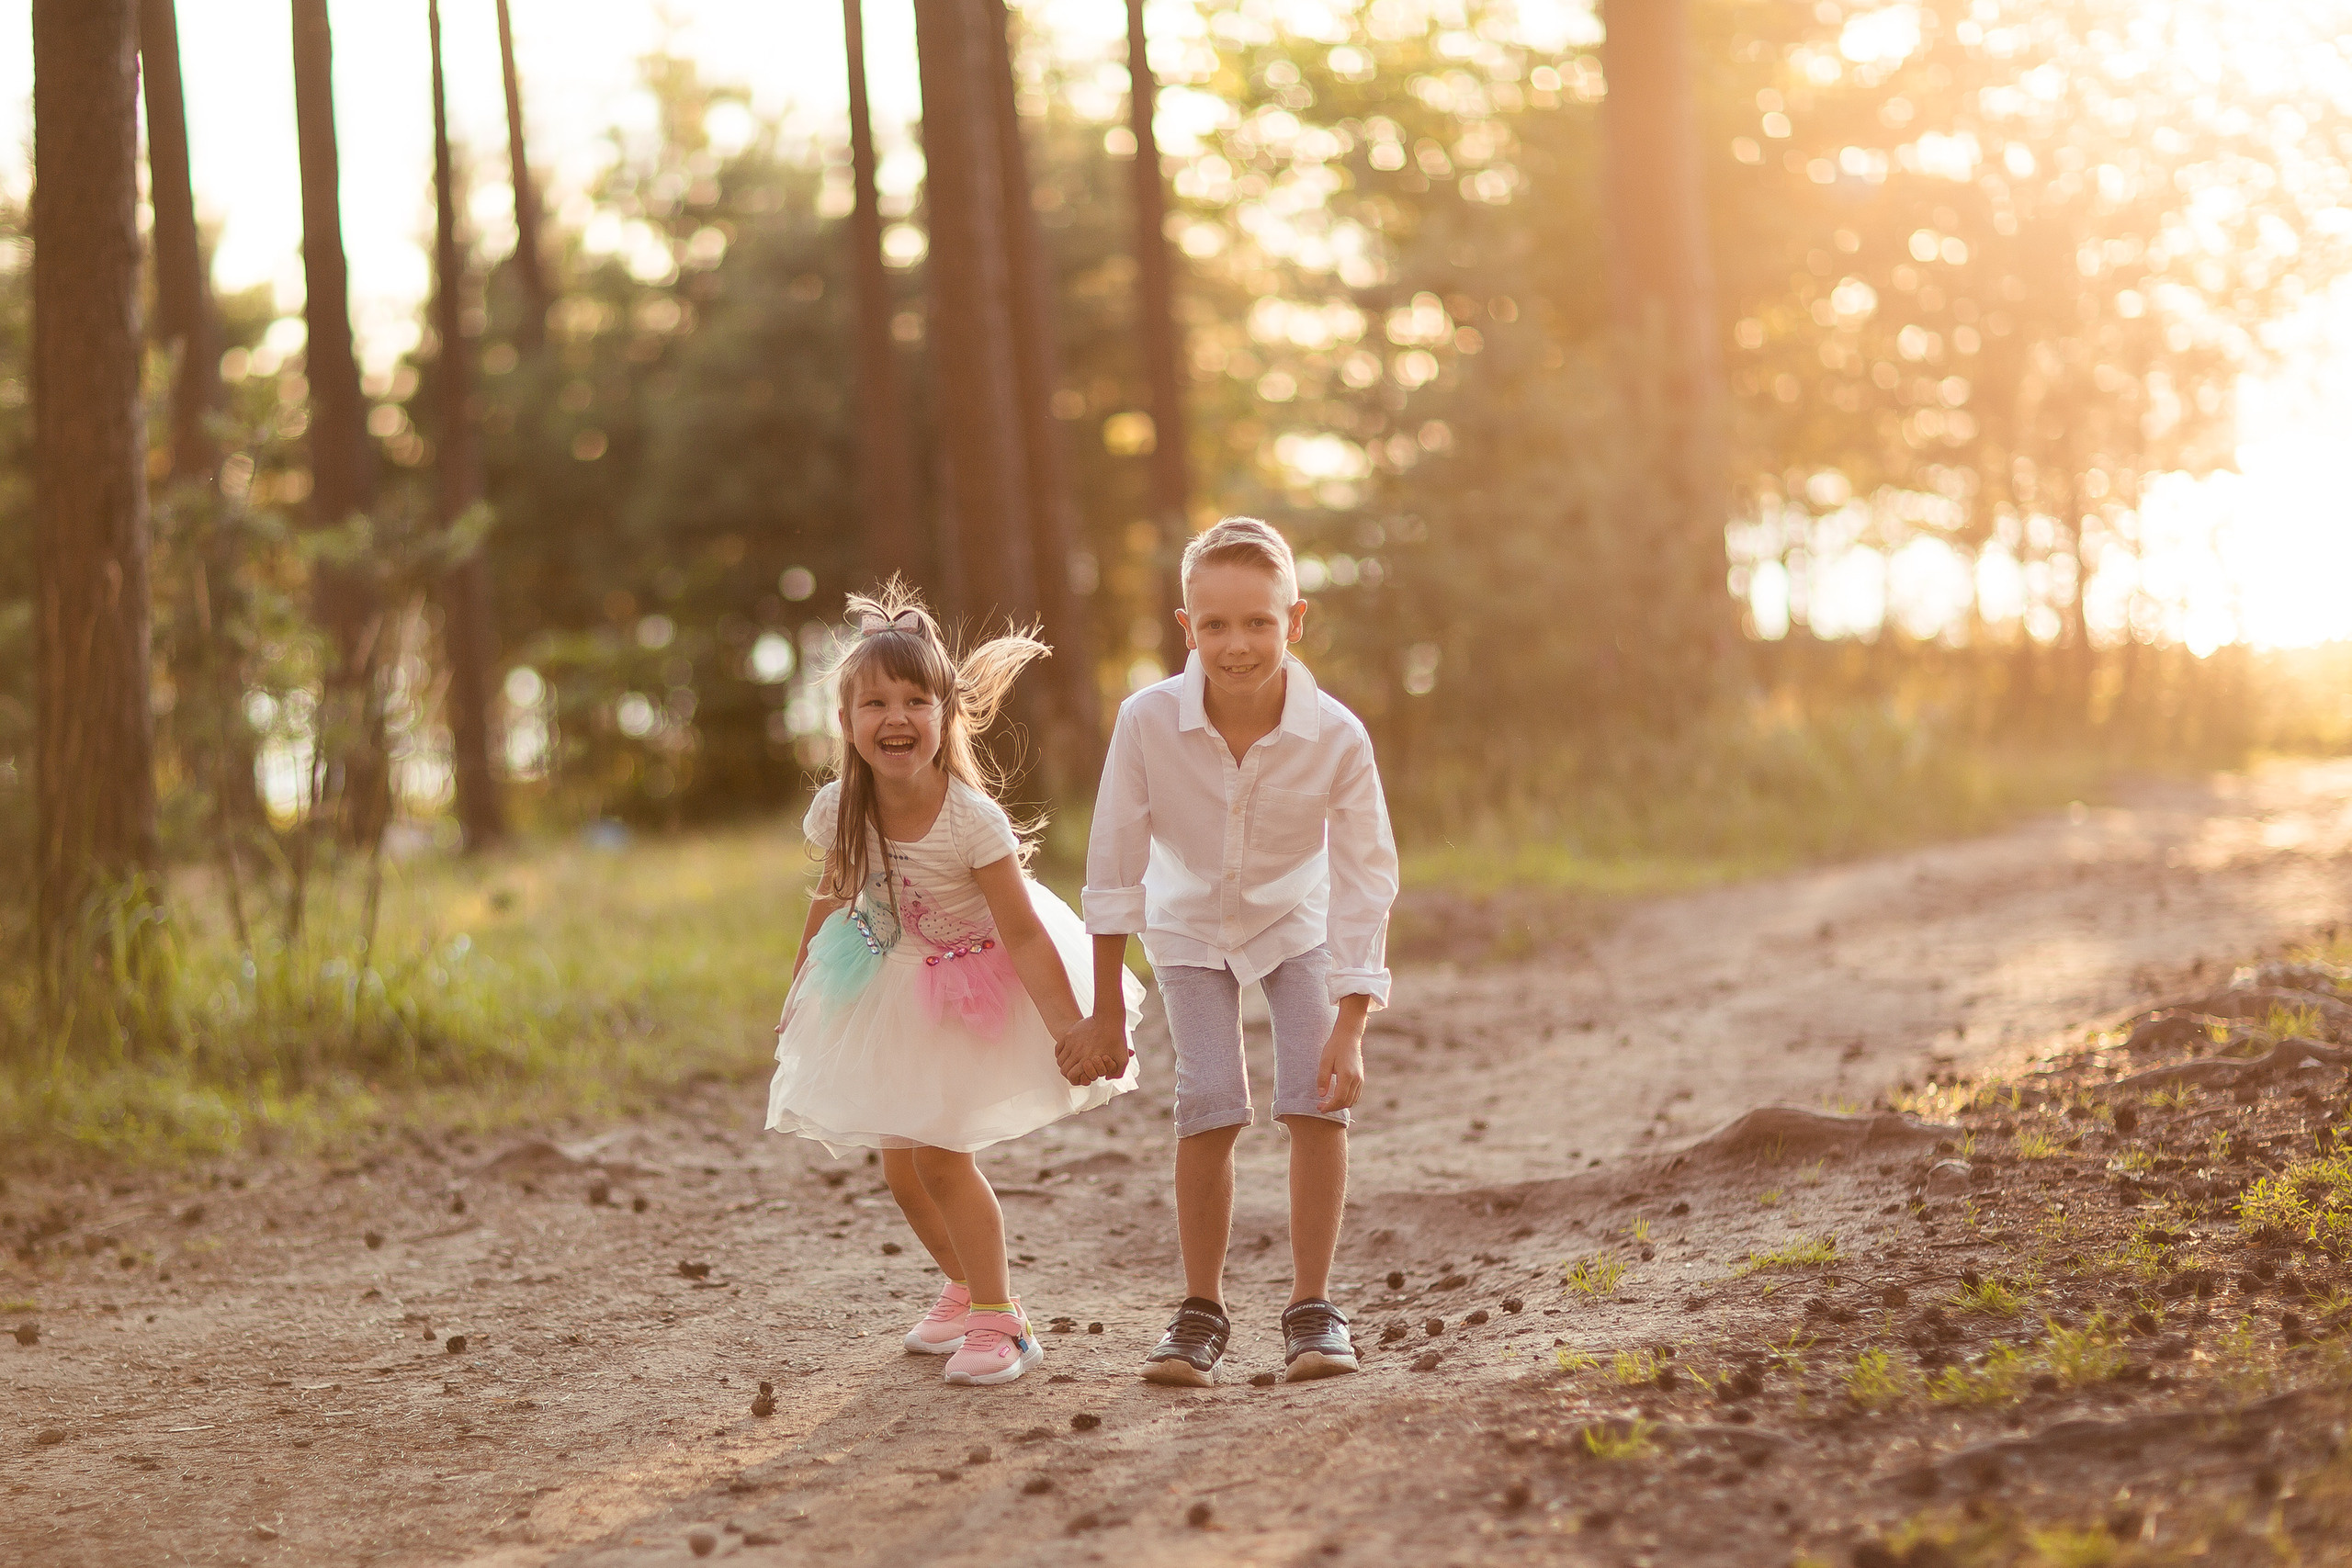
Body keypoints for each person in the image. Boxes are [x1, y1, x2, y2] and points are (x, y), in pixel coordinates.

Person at [765, 582, 1141, 1388]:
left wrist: (1071, 1027)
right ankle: (966, 1285)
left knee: (941, 1158)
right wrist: (800, 989)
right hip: (890, 984)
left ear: (945, 716)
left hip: (974, 984)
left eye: (914, 700)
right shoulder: (838, 809)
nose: (894, 717)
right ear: (847, 722)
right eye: (874, 702)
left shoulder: (971, 819)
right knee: (901, 1169)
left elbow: (1024, 933)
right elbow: (833, 898)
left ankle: (1004, 1320)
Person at [1061, 516, 1400, 1385]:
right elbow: (1112, 865)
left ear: (1295, 621)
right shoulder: (1145, 723)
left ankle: (1313, 1308)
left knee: (1315, 1099)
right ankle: (1200, 1311)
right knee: (1209, 1096)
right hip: (1187, 925)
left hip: (1299, 919)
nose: (1237, 643)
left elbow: (1366, 877)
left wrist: (1351, 1020)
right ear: (1186, 627)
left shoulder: (1337, 736)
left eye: (1258, 621)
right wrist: (1105, 1005)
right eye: (1214, 624)